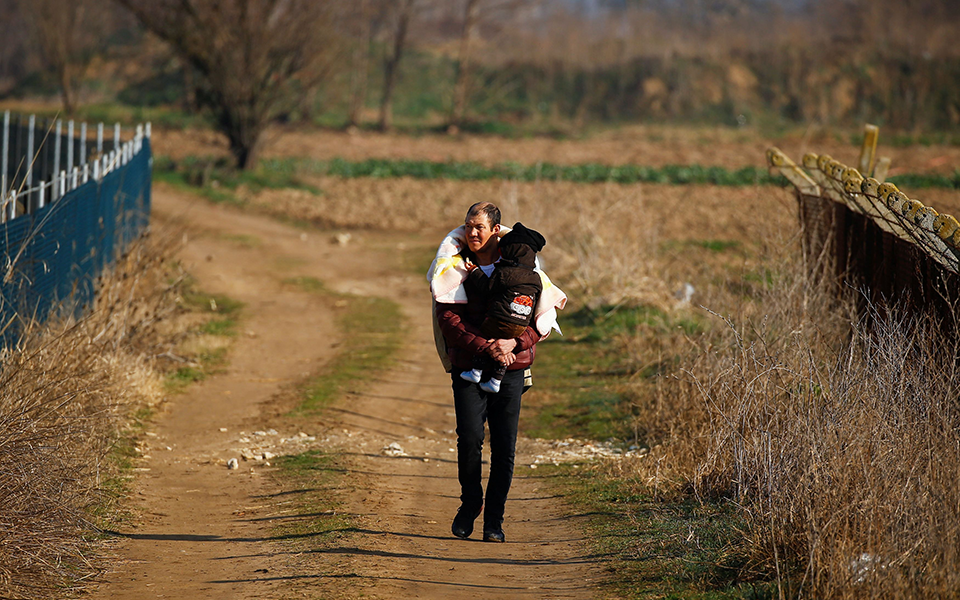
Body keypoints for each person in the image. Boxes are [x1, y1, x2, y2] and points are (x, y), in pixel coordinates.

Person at [432, 202, 548, 544]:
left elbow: (540, 320)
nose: (472, 233)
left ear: (496, 229)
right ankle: (471, 505)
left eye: (479, 227)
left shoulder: (522, 264)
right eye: (468, 226)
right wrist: (488, 347)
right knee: (469, 440)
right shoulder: (453, 267)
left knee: (504, 448)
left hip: (512, 368)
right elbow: (449, 320)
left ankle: (494, 522)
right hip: (469, 364)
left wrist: (514, 344)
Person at [460, 222, 546, 394]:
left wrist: (475, 271)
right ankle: (496, 380)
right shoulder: (537, 278)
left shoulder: (504, 272)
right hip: (520, 327)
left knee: (487, 333)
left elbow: (487, 287)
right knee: (504, 345)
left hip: (499, 320)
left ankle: (476, 371)